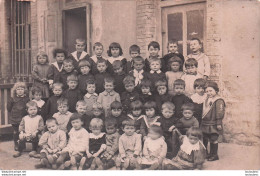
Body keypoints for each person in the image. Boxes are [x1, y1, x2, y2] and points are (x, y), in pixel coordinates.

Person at [201, 81, 225, 161]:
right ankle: (206, 153)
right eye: (207, 91)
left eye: (210, 91)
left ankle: (214, 155)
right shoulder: (206, 99)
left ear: (216, 90)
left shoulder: (219, 100)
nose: (208, 93)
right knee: (205, 138)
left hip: (214, 123)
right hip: (206, 123)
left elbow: (220, 112)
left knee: (213, 138)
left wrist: (218, 123)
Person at [7, 82, 30, 151]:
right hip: (14, 118)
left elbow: (28, 108)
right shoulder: (12, 99)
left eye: (22, 89)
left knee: (22, 131)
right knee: (16, 131)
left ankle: (22, 144)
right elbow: (9, 108)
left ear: (24, 90)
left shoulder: (27, 99)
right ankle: (16, 144)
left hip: (23, 118)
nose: (20, 90)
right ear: (15, 90)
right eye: (18, 89)